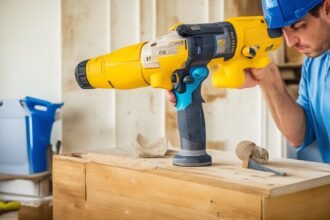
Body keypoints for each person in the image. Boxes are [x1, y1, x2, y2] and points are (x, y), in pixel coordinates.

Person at [168, 0, 330, 163]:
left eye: (297, 26)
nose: (290, 42)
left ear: (327, 9)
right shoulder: (315, 63)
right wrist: (268, 78)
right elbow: (301, 135)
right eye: (283, 30)